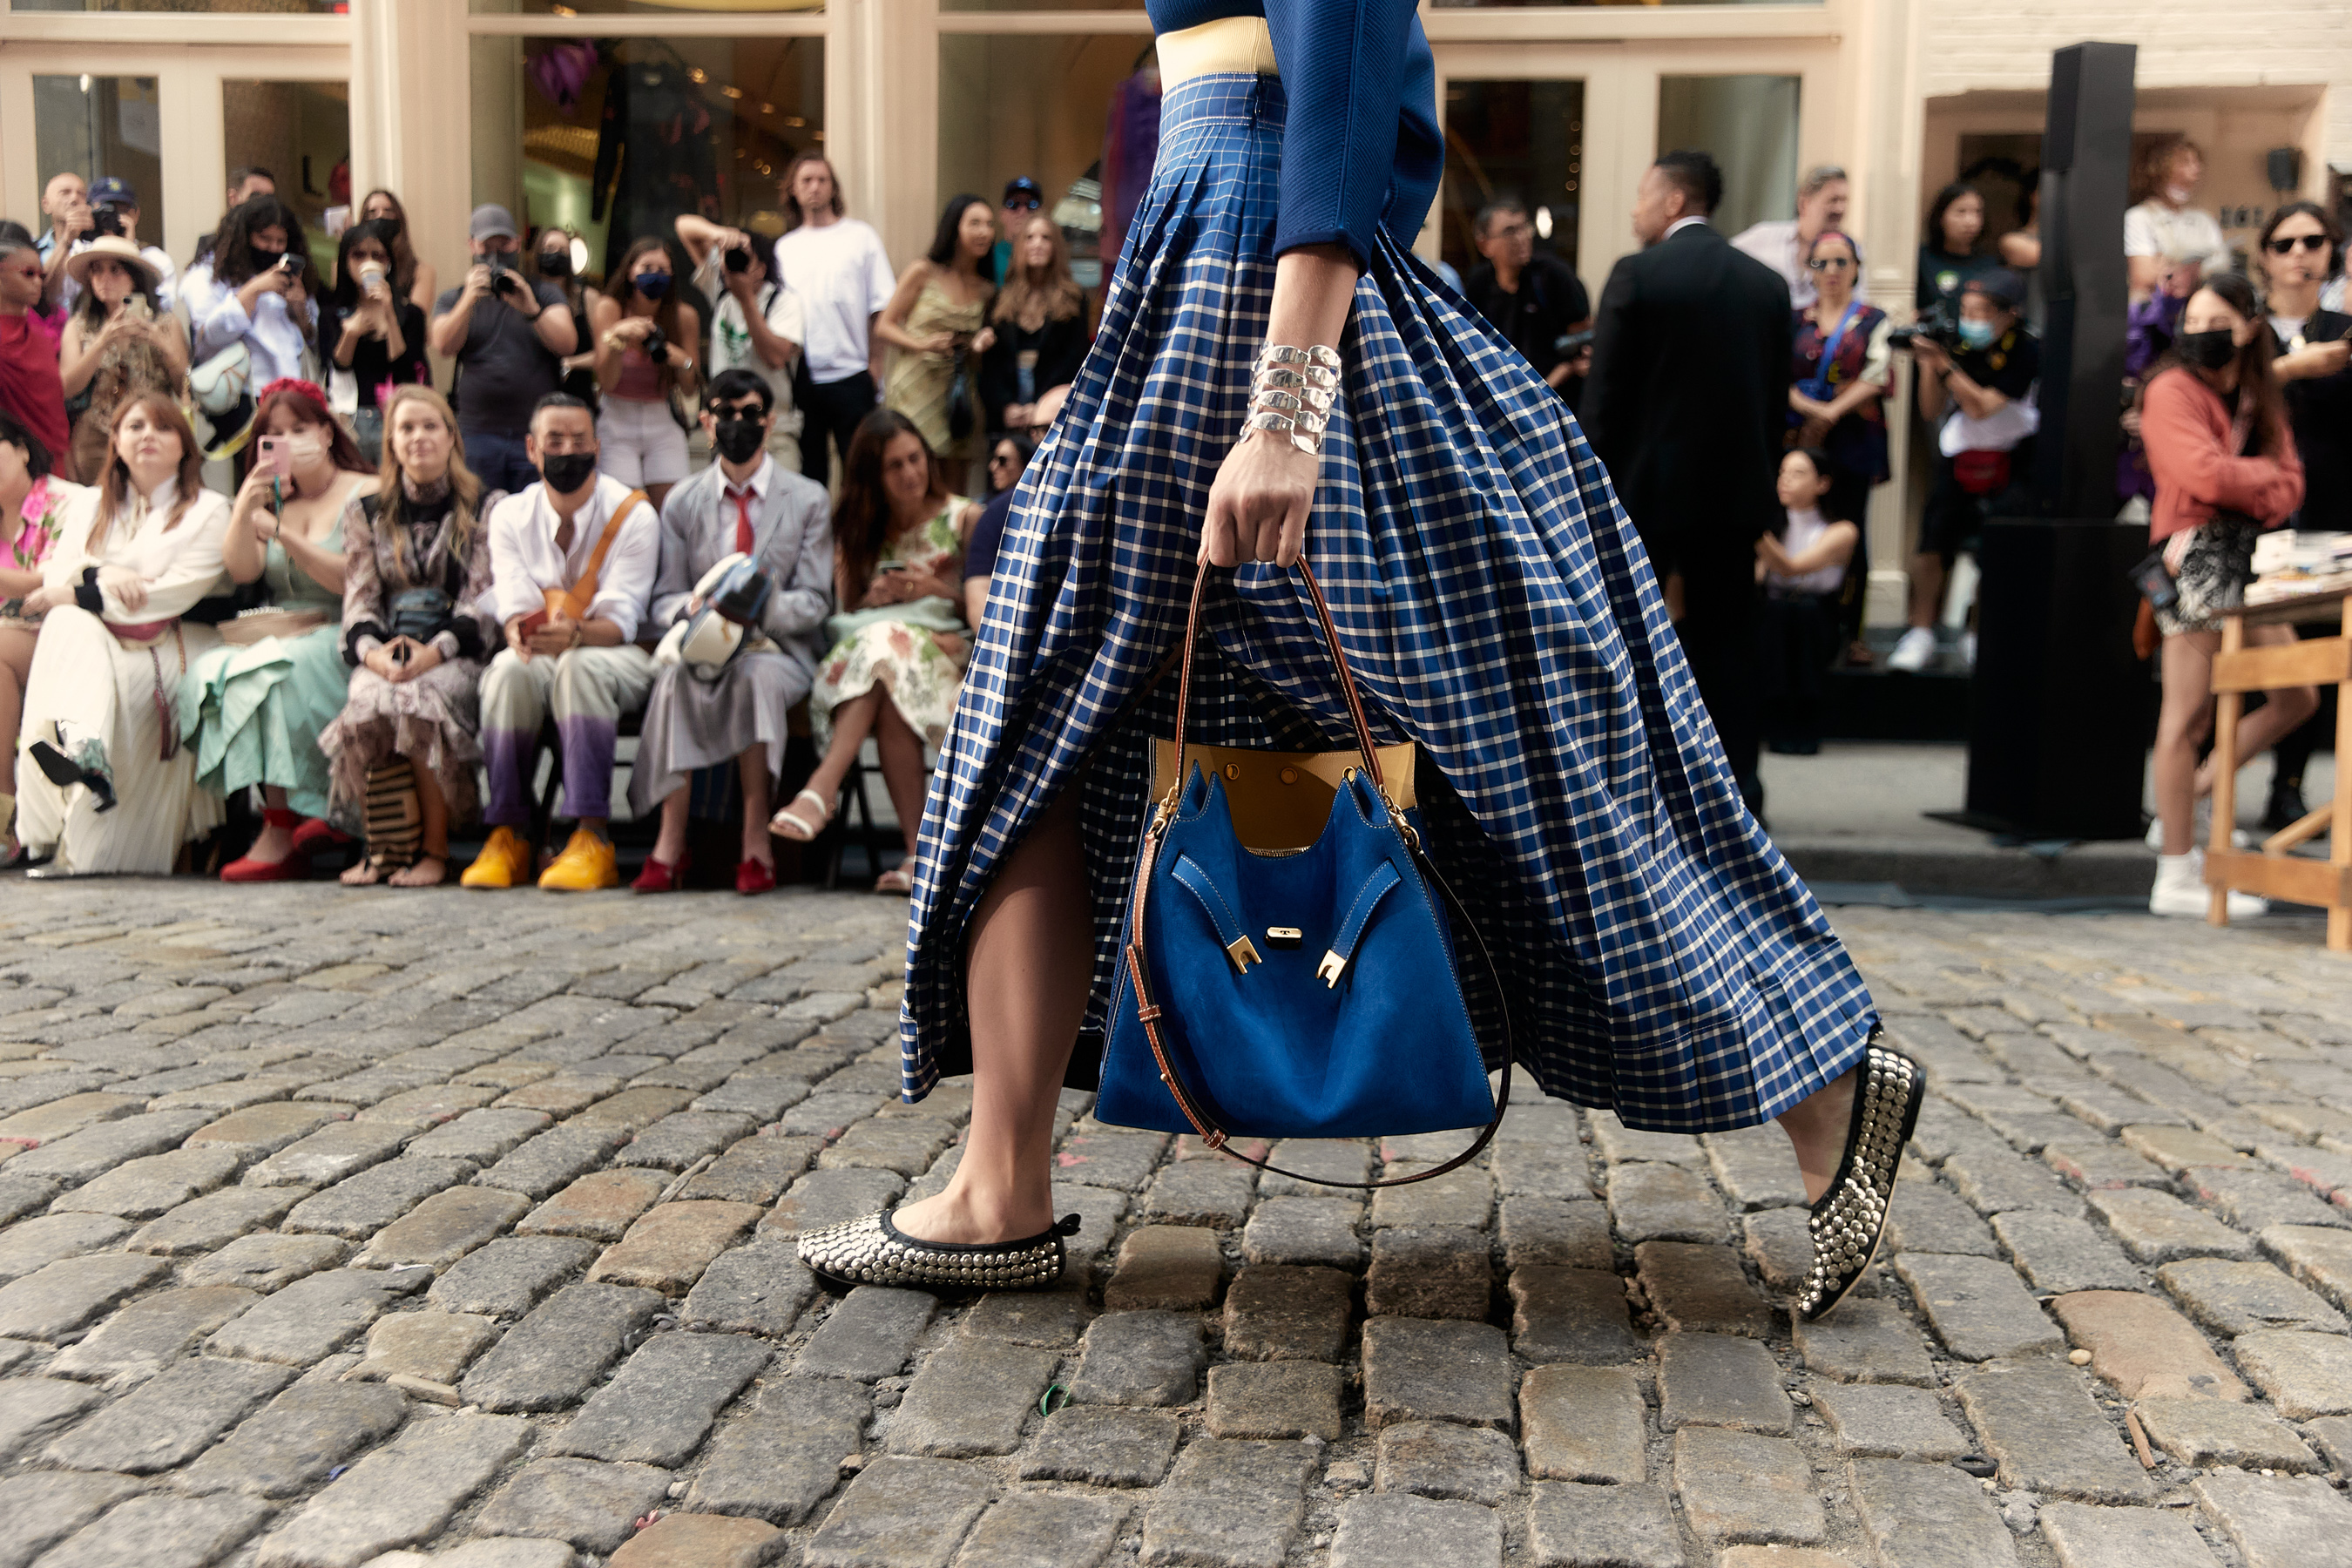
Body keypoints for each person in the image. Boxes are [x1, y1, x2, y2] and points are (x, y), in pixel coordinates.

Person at [798, 3, 1897, 1330]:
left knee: (1504, 745)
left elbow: (1346, 41)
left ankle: (1823, 1086)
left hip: (1254, 261)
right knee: (1082, 716)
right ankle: (998, 1184)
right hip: (1224, 250)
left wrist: (1286, 403)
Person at [1582, 149, 1793, 807]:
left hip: (1643, 496)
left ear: (1674, 201)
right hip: (1735, 497)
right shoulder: (1767, 285)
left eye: (1644, 195)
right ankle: (1739, 795)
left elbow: (1604, 403)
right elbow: (1773, 405)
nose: (1635, 209)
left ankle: (1629, 791)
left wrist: (1586, 497)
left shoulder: (1638, 275)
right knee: (1730, 646)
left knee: (1625, 644)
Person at [2141, 272, 2312, 919]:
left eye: (2215, 323)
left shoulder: (2257, 392)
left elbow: (2290, 484)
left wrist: (2254, 481)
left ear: (2247, 326)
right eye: (2191, 324)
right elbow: (2198, 475)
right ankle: (2176, 873)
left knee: (2296, 694)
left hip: (2246, 556)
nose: (2201, 335)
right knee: (2186, 714)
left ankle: (2188, 798)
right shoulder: (2169, 389)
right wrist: (2259, 478)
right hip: (2193, 554)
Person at [629, 369, 835, 895]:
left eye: (749, 414)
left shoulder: (808, 498)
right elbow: (663, 600)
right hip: (703, 641)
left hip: (778, 648)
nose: (736, 424)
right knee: (677, 680)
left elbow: (815, 601)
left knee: (754, 677)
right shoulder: (681, 502)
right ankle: (669, 843)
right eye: (725, 413)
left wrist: (755, 609)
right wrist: (697, 608)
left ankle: (755, 841)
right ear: (706, 423)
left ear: (768, 424)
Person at [13, 393, 232, 876]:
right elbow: (57, 577)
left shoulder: (211, 511)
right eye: (135, 426)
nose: (147, 436)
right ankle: (88, 756)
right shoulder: (91, 504)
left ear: (185, 446)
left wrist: (82, 587)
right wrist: (103, 576)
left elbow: (167, 596)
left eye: (162, 428)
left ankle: (78, 824)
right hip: (91, 639)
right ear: (115, 441)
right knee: (70, 627)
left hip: (171, 638)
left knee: (71, 623)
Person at [768, 409, 973, 894]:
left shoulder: (964, 517)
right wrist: (874, 599)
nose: (911, 474)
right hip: (869, 670)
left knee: (886, 653)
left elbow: (991, 604)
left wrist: (935, 590)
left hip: (946, 660)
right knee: (884, 659)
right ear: (872, 477)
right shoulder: (857, 532)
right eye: (894, 466)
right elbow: (844, 616)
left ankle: (823, 790)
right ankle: (920, 857)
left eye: (915, 459)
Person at [461, 394, 660, 892]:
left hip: (618, 660)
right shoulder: (509, 514)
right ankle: (509, 832)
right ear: (532, 449)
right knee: (507, 671)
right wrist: (516, 631)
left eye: (579, 440)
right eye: (555, 441)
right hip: (545, 652)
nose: (568, 450)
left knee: (581, 668)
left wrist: (574, 635)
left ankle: (591, 835)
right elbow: (514, 602)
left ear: (597, 446)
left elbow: (621, 622)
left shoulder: (634, 515)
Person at [182, 377, 376, 880]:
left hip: (347, 629)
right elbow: (244, 571)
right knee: (216, 668)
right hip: (283, 628)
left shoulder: (367, 491)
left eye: (300, 429)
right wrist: (246, 505)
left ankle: (289, 822)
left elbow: (354, 579)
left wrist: (284, 534)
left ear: (327, 433)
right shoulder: (273, 497)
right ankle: (284, 817)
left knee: (277, 672)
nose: (287, 441)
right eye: (275, 433)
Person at [320, 386, 504, 888]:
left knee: (417, 699)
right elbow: (360, 599)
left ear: (451, 437)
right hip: (388, 648)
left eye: (430, 426)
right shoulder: (366, 512)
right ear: (392, 444)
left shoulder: (487, 507)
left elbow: (482, 600)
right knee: (368, 700)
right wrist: (374, 656)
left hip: (458, 651)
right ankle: (384, 847)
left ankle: (435, 850)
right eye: (406, 428)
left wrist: (433, 651)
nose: (418, 437)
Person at [2253, 200, 2351, 833]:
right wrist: (2290, 369)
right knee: (2236, 656)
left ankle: (2287, 786)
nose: (2299, 254)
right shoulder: (2243, 328)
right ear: (2265, 254)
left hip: (2331, 510)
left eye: (2313, 241)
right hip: (2253, 514)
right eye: (2285, 243)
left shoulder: (2344, 329)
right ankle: (2204, 780)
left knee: (2316, 659)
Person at [1887, 268, 2038, 673]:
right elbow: (1930, 409)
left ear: (2010, 314)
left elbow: (1982, 405)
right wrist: (1927, 365)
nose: (1971, 319)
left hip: (2011, 456)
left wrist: (1945, 365)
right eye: (1966, 310)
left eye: (1982, 312)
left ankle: (1977, 632)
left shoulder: (2027, 349)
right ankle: (1920, 630)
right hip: (1958, 454)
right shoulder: (1952, 344)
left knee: (1995, 549)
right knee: (1932, 543)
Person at [428, 205, 579, 496]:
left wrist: (531, 308)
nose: (496, 253)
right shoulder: (454, 297)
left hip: (535, 435)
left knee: (536, 519)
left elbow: (567, 344)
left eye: (505, 243)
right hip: (477, 435)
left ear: (518, 244)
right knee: (479, 517)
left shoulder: (544, 293)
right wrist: (469, 300)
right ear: (472, 246)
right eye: (487, 245)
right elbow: (443, 345)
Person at [773, 154, 896, 489]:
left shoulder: (860, 237)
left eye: (822, 180)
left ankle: (858, 542)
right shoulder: (784, 248)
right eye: (806, 181)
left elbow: (881, 306)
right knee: (810, 476)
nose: (814, 187)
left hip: (852, 373)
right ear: (793, 191)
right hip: (802, 376)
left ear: (833, 188)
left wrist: (876, 363)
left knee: (861, 474)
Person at [0, 413, 83, 864]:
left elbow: (55, 578)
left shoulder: (65, 501)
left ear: (22, 449)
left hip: (63, 636)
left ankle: (5, 813)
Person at [881, 195, 999, 492]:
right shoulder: (923, 271)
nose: (984, 231)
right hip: (915, 391)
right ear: (954, 227)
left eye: (989, 224)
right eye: (975, 223)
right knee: (911, 476)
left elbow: (978, 354)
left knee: (953, 487)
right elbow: (884, 326)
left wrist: (978, 345)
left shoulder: (987, 288)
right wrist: (923, 344)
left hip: (957, 396)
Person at [677, 214, 806, 472]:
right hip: (726, 427)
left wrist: (746, 300)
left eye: (746, 259)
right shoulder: (723, 291)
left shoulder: (783, 302)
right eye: (729, 259)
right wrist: (721, 234)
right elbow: (684, 227)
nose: (733, 265)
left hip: (774, 431)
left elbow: (775, 358)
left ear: (762, 268)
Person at [59, 237, 188, 485]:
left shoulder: (165, 323)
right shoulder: (79, 325)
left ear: (134, 278)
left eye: (115, 270)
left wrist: (161, 345)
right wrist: (100, 343)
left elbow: (184, 385)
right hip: (96, 439)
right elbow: (67, 387)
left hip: (153, 435)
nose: (104, 278)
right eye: (96, 270)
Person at [1756, 449, 1860, 755]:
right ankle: (1775, 722)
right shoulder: (1774, 525)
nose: (1786, 481)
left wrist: (1753, 527)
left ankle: (1804, 725)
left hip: (1817, 615)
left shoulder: (1841, 530)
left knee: (1802, 612)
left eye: (1798, 474)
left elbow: (1792, 567)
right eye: (1783, 473)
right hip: (1773, 612)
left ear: (1823, 483)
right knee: (1776, 612)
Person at [1788, 229, 1891, 529]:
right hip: (1802, 434)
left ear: (1856, 267)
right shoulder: (1795, 319)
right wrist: (1813, 410)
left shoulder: (1874, 319)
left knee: (1848, 521)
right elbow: (1778, 375)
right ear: (1809, 269)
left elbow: (1876, 376)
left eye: (1841, 262)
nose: (1831, 271)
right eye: (1821, 264)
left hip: (1853, 436)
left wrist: (1832, 412)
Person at [589, 238, 700, 511]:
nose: (654, 275)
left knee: (672, 508)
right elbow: (607, 381)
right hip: (616, 416)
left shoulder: (683, 316)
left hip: (661, 417)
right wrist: (618, 339)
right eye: (647, 267)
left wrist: (678, 359)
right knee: (623, 510)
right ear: (630, 271)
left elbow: (689, 388)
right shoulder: (609, 308)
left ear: (672, 274)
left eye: (662, 270)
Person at [320, 220, 429, 466]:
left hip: (394, 417)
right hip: (351, 419)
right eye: (358, 255)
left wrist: (389, 312)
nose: (368, 262)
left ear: (388, 263)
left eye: (377, 256)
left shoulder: (410, 314)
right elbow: (337, 366)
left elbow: (405, 369)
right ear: (346, 261)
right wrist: (351, 333)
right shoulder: (332, 312)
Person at [184, 196, 319, 392]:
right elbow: (210, 337)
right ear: (245, 236)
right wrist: (255, 289)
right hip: (241, 392)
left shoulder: (293, 278)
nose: (273, 248)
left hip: (290, 388)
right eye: (265, 238)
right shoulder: (209, 275)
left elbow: (311, 339)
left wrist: (300, 309)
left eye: (280, 241)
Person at [1461, 198, 1590, 397]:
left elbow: (1580, 345)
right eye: (1510, 231)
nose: (1521, 238)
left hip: (1554, 399)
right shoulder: (1479, 285)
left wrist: (1541, 392)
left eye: (1525, 228)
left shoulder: (1553, 276)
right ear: (1485, 245)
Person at [962, 384, 1067, 630]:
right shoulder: (996, 514)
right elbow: (978, 597)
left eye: (1003, 460)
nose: (1049, 441)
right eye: (1038, 431)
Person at [977, 212, 1087, 436]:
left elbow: (1075, 359)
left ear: (1056, 246)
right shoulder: (999, 300)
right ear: (1020, 246)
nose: (1037, 244)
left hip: (1053, 415)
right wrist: (1005, 406)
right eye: (1029, 237)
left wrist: (1041, 405)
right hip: (1006, 418)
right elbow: (991, 365)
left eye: (1045, 238)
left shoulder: (1075, 299)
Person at [1731, 164, 1851, 311]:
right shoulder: (1764, 237)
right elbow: (1722, 260)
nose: (1840, 209)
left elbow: (1857, 305)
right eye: (1833, 200)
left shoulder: (1849, 251)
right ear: (1804, 203)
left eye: (1844, 201)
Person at [0, 235, 71, 483]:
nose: (38, 282)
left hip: (59, 455)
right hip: (18, 464)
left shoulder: (36, 324)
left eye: (41, 275)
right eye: (28, 273)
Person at [2126, 139, 2227, 302]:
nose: (2195, 169)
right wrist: (2194, 267)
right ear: (2161, 170)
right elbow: (2143, 277)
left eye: (2196, 162)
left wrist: (2168, 265)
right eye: (2184, 162)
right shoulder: (2139, 217)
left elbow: (2220, 270)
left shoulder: (2204, 220)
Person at [74, 179, 178, 313]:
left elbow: (164, 309)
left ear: (135, 215)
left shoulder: (156, 258)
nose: (111, 218)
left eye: (120, 212)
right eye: (104, 210)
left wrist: (129, 253)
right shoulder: (81, 252)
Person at [533, 226, 605, 413]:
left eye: (563, 251)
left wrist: (570, 363)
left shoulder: (588, 298)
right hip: (535, 400)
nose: (556, 255)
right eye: (549, 249)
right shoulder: (526, 299)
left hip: (578, 398)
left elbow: (605, 353)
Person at [1916, 183, 1997, 314]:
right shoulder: (1922, 259)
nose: (1971, 221)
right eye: (1961, 212)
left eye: (1977, 212)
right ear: (1941, 217)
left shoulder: (1991, 265)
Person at [357, 189, 438, 319]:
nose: (380, 217)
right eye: (372, 212)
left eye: (388, 211)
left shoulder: (421, 271)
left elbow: (416, 320)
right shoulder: (354, 267)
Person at [193, 167, 278, 267]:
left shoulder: (278, 246)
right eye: (255, 196)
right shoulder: (211, 244)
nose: (262, 205)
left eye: (268, 199)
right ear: (233, 198)